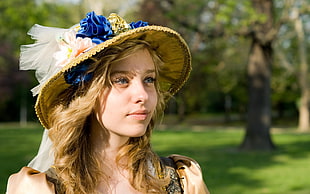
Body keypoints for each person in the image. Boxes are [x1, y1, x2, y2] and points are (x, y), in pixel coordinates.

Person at [6, 11, 209, 194]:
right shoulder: (42, 189)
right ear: (85, 94)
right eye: (121, 80)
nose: (143, 95)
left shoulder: (183, 180)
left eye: (149, 79)